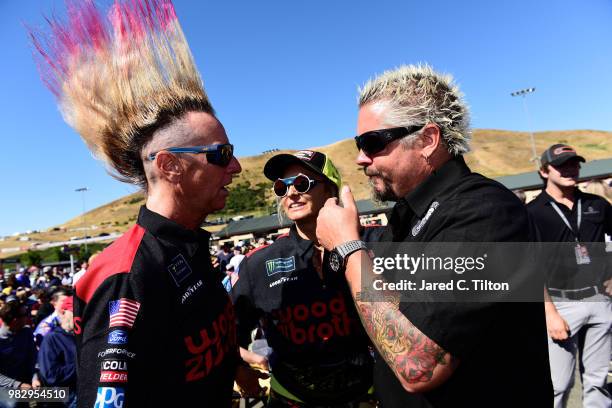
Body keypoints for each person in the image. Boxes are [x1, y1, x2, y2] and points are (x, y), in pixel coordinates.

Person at [30, 0, 263, 406]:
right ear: (171, 166)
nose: (237, 166)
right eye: (221, 154)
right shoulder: (127, 276)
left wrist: (234, 364)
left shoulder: (189, 243)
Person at [315, 64, 552, 407]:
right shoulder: (406, 212)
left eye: (372, 142)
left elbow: (420, 367)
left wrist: (349, 248)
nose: (360, 158)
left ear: (428, 140)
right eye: (358, 143)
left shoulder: (484, 212)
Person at [232, 151, 380, 407]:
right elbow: (228, 331)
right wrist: (239, 370)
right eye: (282, 187)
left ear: (330, 190)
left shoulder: (374, 243)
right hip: (292, 399)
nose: (291, 193)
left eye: (302, 183)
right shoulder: (258, 264)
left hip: (367, 394)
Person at [527, 144, 612, 408]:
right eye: (562, 165)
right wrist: (549, 312)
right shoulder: (533, 212)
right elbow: (530, 267)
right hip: (560, 305)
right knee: (558, 385)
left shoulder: (597, 205)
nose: (570, 169)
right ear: (544, 171)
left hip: (600, 300)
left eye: (574, 164)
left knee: (598, 381)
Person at [37, 295, 77, 407]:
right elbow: (51, 375)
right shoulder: (52, 339)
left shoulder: (82, 336)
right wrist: (82, 365)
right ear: (64, 313)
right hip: (67, 397)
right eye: (75, 312)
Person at [0, 301, 37, 390]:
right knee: (14, 404)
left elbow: (33, 358)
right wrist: (18, 385)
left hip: (28, 383)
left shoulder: (27, 333)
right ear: (15, 320)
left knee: (55, 395)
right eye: (25, 314)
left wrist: (35, 377)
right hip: (7, 388)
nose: (28, 317)